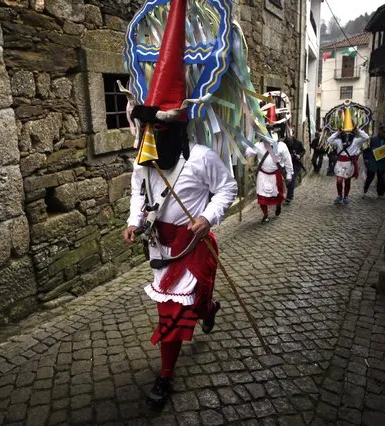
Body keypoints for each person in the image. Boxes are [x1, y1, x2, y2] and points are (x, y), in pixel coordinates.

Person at [121, 0, 239, 410]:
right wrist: (135, 221)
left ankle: (209, 307)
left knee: (195, 300)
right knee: (170, 311)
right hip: (160, 248)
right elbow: (139, 192)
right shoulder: (145, 159)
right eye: (149, 129)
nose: (152, 138)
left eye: (160, 129)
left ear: (178, 128)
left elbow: (228, 189)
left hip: (194, 246)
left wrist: (208, 217)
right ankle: (166, 377)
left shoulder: (203, 157)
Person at [246, 135, 294, 224]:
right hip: (262, 174)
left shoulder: (281, 145)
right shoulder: (259, 145)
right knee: (262, 195)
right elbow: (249, 153)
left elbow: (288, 160)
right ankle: (265, 215)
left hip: (276, 174)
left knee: (277, 194)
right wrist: (247, 146)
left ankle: (278, 205)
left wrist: (289, 174)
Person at [327, 126, 369, 204]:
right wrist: (337, 132)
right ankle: (339, 195)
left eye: (348, 132)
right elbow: (329, 140)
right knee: (339, 181)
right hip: (340, 162)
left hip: (349, 163)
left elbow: (366, 137)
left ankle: (346, 196)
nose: (347, 134)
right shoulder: (339, 141)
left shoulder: (356, 141)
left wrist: (358, 130)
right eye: (345, 132)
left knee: (347, 180)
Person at [363, 126, 385, 198]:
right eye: (384, 131)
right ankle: (365, 189)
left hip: (382, 162)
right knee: (370, 177)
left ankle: (380, 194)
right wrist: (366, 158)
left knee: (381, 178)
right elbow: (366, 149)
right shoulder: (372, 139)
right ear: (379, 131)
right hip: (372, 161)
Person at [284, 134, 306, 204]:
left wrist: (299, 155)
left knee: (291, 178)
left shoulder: (298, 143)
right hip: (286, 164)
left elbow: (303, 151)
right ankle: (287, 193)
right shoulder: (285, 143)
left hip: (295, 164)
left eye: (290, 136)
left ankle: (289, 197)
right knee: (287, 180)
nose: (289, 137)